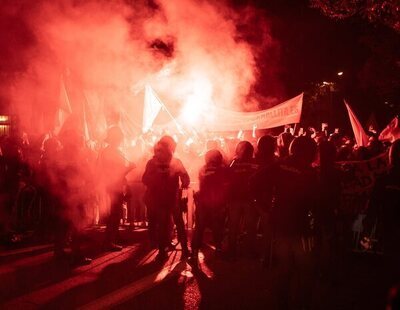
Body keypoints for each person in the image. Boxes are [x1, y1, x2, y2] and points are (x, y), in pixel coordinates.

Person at [268, 136, 318, 309]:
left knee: (284, 267)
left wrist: (265, 210)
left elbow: (255, 184)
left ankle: (281, 303)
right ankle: (301, 304)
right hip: (301, 228)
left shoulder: (278, 165)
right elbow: (316, 202)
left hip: (281, 224)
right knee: (306, 269)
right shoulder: (310, 173)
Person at [142, 135, 190, 261]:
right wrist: (157, 179)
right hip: (159, 199)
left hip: (171, 199)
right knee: (164, 224)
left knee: (177, 223)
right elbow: (145, 179)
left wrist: (184, 181)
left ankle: (183, 248)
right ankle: (163, 250)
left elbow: (185, 177)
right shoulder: (152, 162)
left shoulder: (175, 161)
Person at [97, 126, 135, 251]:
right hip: (113, 186)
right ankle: (109, 241)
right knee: (115, 214)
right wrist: (129, 168)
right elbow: (115, 173)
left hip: (116, 185)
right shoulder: (110, 152)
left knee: (116, 213)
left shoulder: (113, 151)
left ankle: (113, 238)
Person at [191, 149, 228, 267]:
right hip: (216, 203)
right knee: (217, 228)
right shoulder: (222, 169)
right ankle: (218, 250)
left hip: (203, 202)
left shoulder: (203, 168)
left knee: (199, 228)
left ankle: (194, 254)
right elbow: (225, 186)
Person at [226, 140, 257, 259]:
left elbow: (227, 179)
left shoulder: (234, 163)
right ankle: (250, 252)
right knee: (250, 226)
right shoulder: (254, 163)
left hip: (235, 198)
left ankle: (232, 251)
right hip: (249, 198)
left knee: (233, 225)